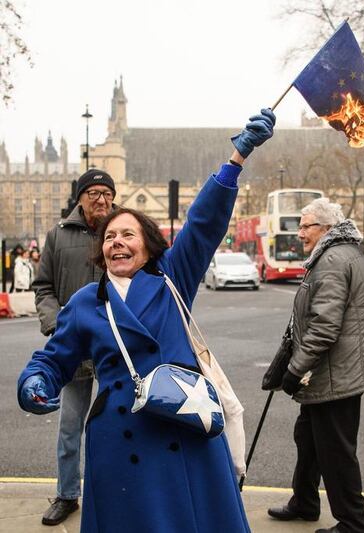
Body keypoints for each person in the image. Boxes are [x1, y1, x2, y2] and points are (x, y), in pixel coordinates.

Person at [18, 108, 276, 533]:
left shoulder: (172, 277)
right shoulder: (86, 302)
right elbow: (53, 360)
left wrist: (235, 160)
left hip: (184, 428)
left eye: (128, 235)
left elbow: (203, 225)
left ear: (149, 245)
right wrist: (34, 383)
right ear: (100, 251)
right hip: (119, 445)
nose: (117, 242)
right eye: (110, 238)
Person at [267, 197, 364, 533]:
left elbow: (324, 326)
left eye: (306, 226)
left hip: (337, 373)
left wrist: (294, 370)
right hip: (333, 370)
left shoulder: (333, 260)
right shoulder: (341, 253)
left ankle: (353, 524)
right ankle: (304, 502)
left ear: (326, 228)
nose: (300, 233)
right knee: (308, 437)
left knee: (336, 451)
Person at [31, 168, 116, 526]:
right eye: (93, 192)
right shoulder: (58, 235)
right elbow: (44, 287)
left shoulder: (123, 230)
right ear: (80, 197)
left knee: (118, 426)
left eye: (107, 193)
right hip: (75, 348)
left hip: (116, 348)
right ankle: (67, 494)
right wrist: (56, 325)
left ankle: (117, 495)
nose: (101, 199)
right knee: (70, 427)